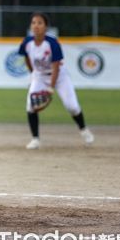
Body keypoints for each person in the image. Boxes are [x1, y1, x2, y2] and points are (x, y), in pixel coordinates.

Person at [18, 12, 94, 149]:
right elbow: (27, 59)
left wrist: (50, 88)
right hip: (40, 76)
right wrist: (33, 74)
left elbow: (56, 68)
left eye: (40, 23)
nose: (36, 26)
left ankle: (84, 130)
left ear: (45, 27)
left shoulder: (52, 43)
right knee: (31, 105)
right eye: (34, 22)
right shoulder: (27, 43)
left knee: (72, 106)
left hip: (59, 77)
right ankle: (35, 139)